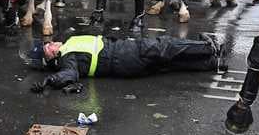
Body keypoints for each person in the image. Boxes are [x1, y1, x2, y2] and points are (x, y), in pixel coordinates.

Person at [28, 33, 223, 93]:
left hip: (123, 59)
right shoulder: (66, 57)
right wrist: (50, 80)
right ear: (52, 58)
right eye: (49, 48)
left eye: (48, 43)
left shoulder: (67, 48)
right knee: (165, 46)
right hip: (123, 55)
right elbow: (70, 74)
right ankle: (207, 48)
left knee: (167, 64)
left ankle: (211, 63)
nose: (52, 43)